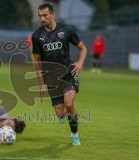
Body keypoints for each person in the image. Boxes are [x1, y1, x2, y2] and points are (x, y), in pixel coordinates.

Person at [31, 3, 87, 145]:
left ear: (52, 14)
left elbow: (83, 48)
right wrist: (41, 84)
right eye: (40, 16)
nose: (42, 18)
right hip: (51, 78)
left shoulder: (66, 30)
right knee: (59, 113)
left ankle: (74, 134)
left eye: (44, 15)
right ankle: (62, 115)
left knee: (69, 105)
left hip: (68, 73)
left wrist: (80, 63)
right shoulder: (37, 36)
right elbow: (37, 62)